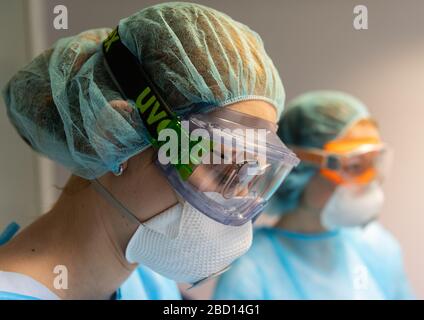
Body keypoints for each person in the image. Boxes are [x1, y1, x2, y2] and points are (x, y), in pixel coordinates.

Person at [0, 2, 298, 300]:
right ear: (114, 136)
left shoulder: (145, 280)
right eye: (222, 163)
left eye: (250, 173)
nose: (238, 198)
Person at [213, 90, 414, 300]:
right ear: (297, 165)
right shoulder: (251, 271)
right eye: (354, 166)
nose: (368, 181)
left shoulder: (378, 247)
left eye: (374, 162)